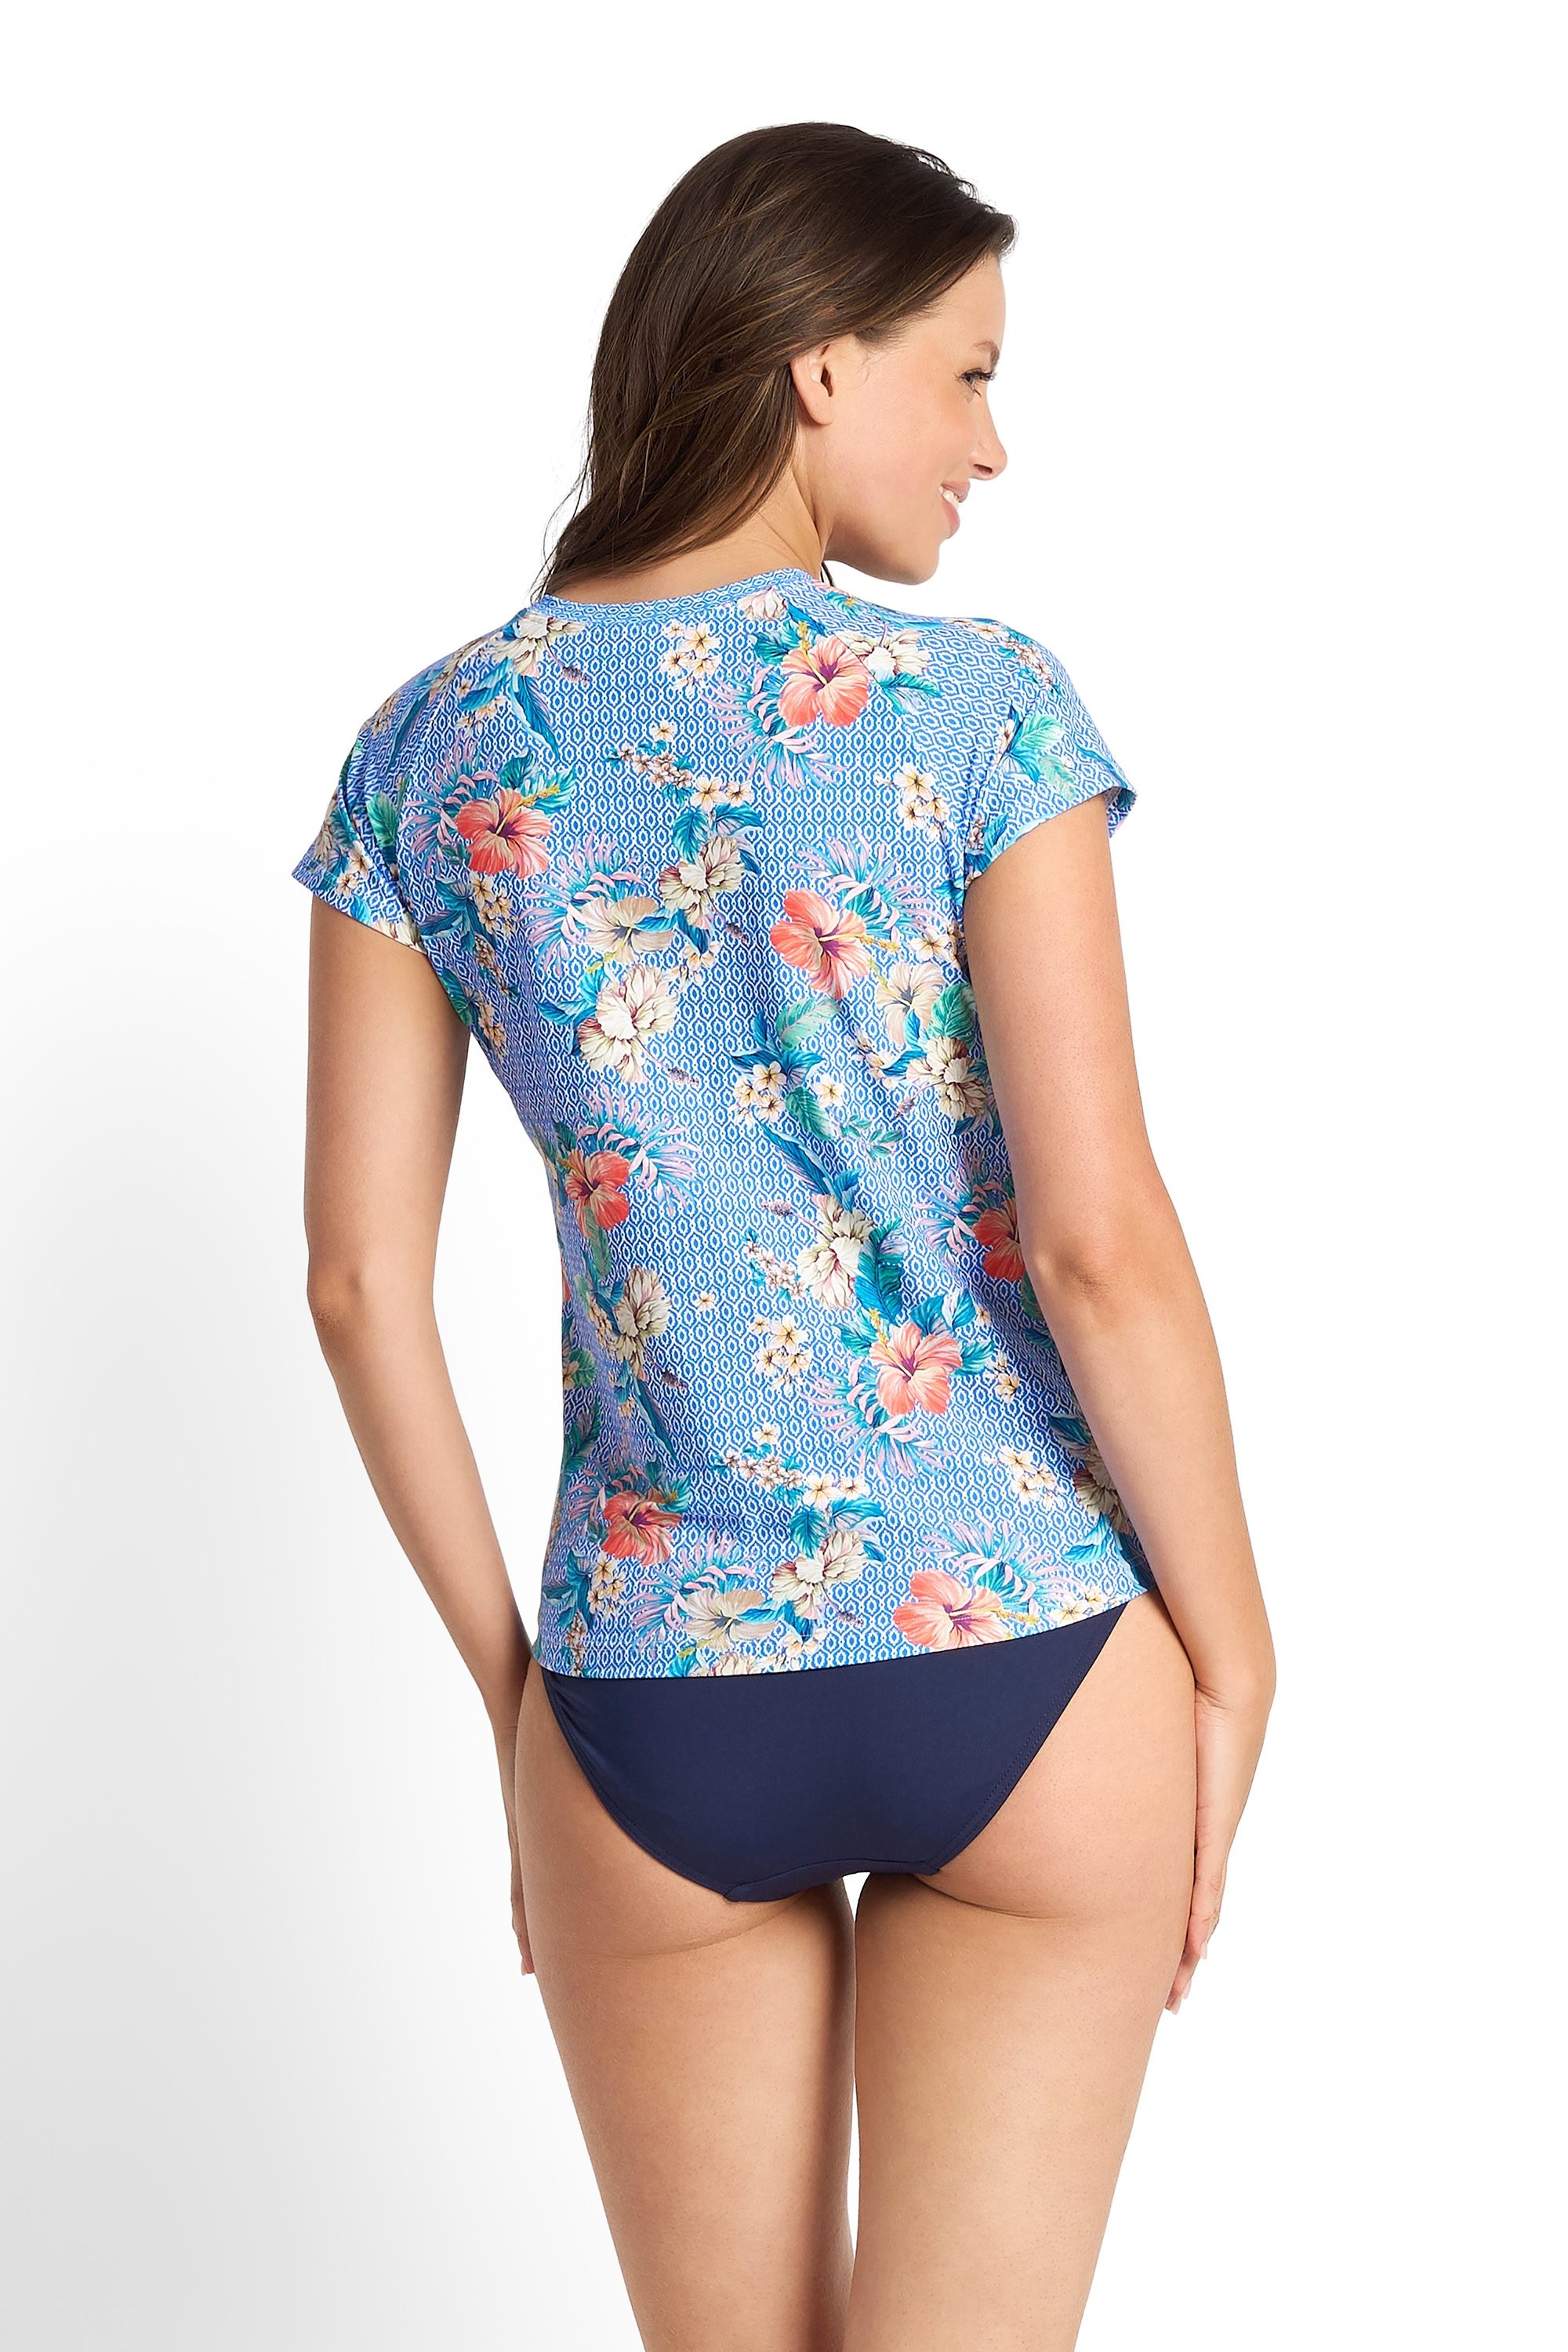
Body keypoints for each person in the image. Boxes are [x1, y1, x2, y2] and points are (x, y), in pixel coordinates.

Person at [293, 121, 1276, 2352]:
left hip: (645, 1698)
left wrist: (522, 1702)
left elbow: (355, 1285)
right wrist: (1239, 1652)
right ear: (821, 367)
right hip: (1024, 1654)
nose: (994, 446)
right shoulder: (979, 709)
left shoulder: (426, 751)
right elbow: (1101, 1242)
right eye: (970, 374)